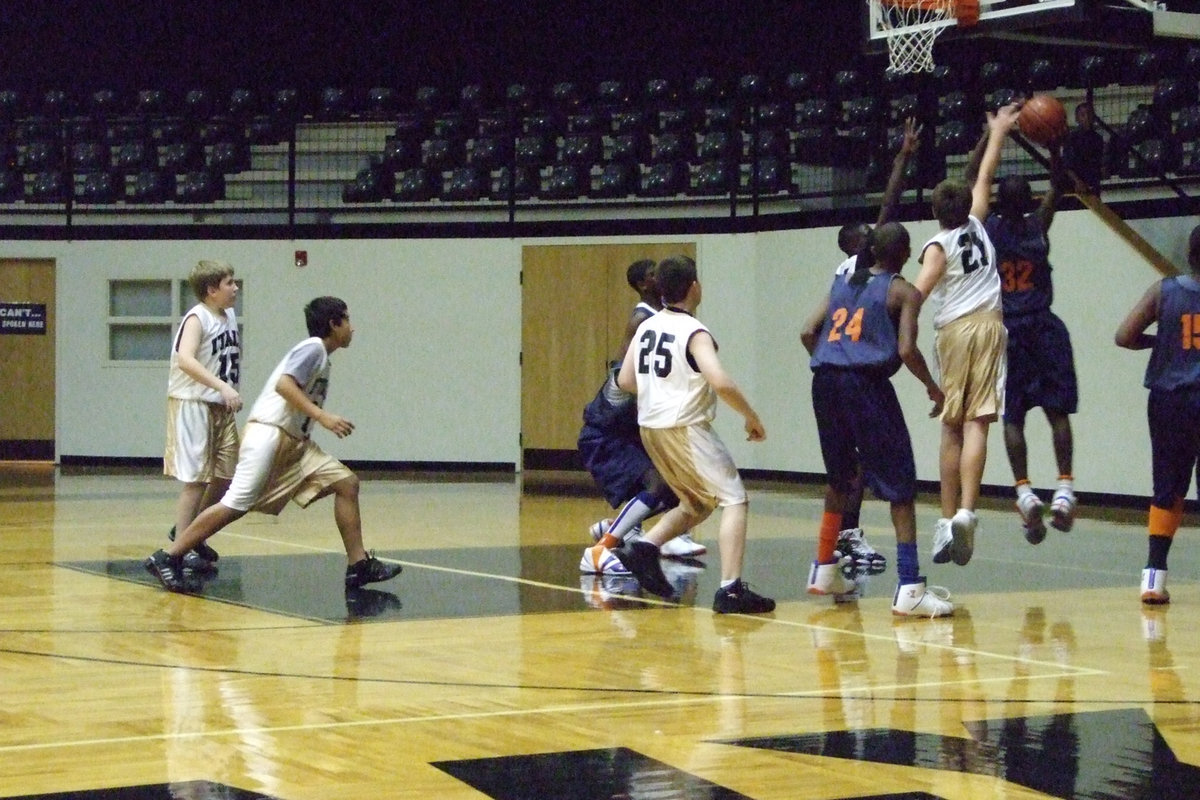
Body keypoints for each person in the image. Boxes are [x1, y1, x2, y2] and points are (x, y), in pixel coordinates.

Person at [144, 296, 402, 593]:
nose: (352, 328)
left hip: (295, 444)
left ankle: (358, 565)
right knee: (235, 504)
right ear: (334, 324)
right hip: (269, 435)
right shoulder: (313, 348)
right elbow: (284, 384)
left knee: (347, 484)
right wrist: (322, 417)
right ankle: (168, 556)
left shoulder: (320, 355)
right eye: (348, 320)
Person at [801, 222, 951, 617]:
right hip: (865, 387)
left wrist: (836, 359)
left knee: (840, 478)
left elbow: (807, 332)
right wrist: (933, 387)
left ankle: (824, 568)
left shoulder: (842, 283)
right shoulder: (904, 291)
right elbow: (906, 350)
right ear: (904, 253)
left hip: (824, 383)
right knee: (900, 485)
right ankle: (910, 587)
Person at [613, 255, 775, 614]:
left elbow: (625, 380)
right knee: (734, 499)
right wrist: (750, 416)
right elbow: (720, 381)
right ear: (694, 287)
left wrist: (661, 389)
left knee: (697, 503)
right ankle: (730, 589)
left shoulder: (647, 327)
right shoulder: (693, 331)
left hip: (651, 428)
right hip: (683, 428)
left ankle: (644, 547)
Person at [912, 103, 1021, 567]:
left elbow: (917, 295)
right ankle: (967, 513)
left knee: (951, 424)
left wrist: (895, 319)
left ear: (936, 212)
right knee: (979, 422)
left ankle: (945, 519)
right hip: (990, 326)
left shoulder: (938, 245)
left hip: (954, 331)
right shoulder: (977, 221)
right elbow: (986, 173)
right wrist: (998, 130)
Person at [968, 132, 1079, 543]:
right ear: (1030, 201)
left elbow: (971, 181)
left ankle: (1025, 491)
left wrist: (987, 137)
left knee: (1013, 418)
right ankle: (1064, 489)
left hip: (1008, 330)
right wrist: (1054, 149)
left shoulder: (988, 233)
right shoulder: (1038, 227)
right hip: (1044, 328)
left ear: (998, 203)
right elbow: (1058, 186)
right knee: (1057, 413)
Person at [827, 117, 922, 572]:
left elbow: (810, 330)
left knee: (847, 469)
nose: (873, 232)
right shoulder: (866, 270)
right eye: (865, 234)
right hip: (860, 379)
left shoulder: (846, 278)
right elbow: (888, 204)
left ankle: (831, 553)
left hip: (832, 375)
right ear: (857, 246)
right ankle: (896, 569)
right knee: (887, 473)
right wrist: (902, 157)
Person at [578, 259, 704, 574]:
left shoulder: (669, 319)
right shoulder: (644, 320)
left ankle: (644, 532)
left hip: (634, 422)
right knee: (661, 481)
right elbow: (624, 377)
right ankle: (602, 548)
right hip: (611, 426)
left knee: (677, 481)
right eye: (652, 274)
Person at [1114, 223, 1200, 604]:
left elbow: (1124, 335)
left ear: (1189, 256)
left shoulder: (1164, 291)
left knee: (1167, 486)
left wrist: (1161, 341)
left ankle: (1153, 578)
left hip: (1169, 403)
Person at [163, 259, 242, 573]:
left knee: (227, 475)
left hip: (220, 407)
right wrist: (222, 386)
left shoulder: (228, 315)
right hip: (193, 403)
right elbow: (185, 359)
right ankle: (178, 551)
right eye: (229, 283)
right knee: (196, 480)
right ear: (211, 289)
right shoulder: (197, 318)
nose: (235, 288)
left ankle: (192, 532)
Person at [1062, 100, 1105, 197]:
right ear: (1077, 118)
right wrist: (1077, 181)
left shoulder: (1098, 139)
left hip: (1093, 184)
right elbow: (1067, 165)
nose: (1087, 118)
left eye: (1089, 114)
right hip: (1074, 186)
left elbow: (1099, 162)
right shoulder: (1072, 139)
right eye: (1083, 115)